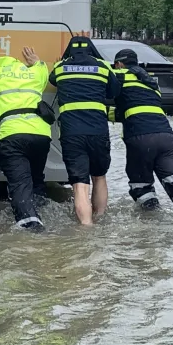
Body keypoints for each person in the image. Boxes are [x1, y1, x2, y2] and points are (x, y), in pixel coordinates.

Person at [110, 48, 173, 222]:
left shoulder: (120, 76)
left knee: (141, 185)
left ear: (119, 64)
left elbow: (123, 109)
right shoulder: (151, 84)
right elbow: (136, 108)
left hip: (141, 138)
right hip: (168, 138)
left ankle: (151, 222)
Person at [0, 45, 53, 231]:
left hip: (11, 135)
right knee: (36, 178)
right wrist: (36, 61)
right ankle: (42, 209)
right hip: (41, 135)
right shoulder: (32, 74)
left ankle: (30, 224)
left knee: (20, 183)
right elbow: (42, 69)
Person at [50, 37, 121, 226]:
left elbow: (52, 80)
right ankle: (100, 219)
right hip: (98, 132)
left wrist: (61, 62)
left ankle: (86, 228)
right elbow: (114, 92)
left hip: (72, 134)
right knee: (99, 177)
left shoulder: (61, 67)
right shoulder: (102, 66)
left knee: (80, 185)